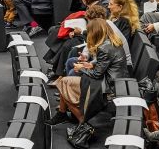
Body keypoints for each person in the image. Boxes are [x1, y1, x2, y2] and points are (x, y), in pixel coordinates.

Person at [46, 18, 128, 149]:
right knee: (63, 82)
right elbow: (104, 64)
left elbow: (97, 74)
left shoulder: (104, 47)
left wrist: (82, 69)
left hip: (107, 88)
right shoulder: (111, 42)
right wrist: (90, 64)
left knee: (62, 83)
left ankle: (82, 122)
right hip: (114, 82)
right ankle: (63, 113)